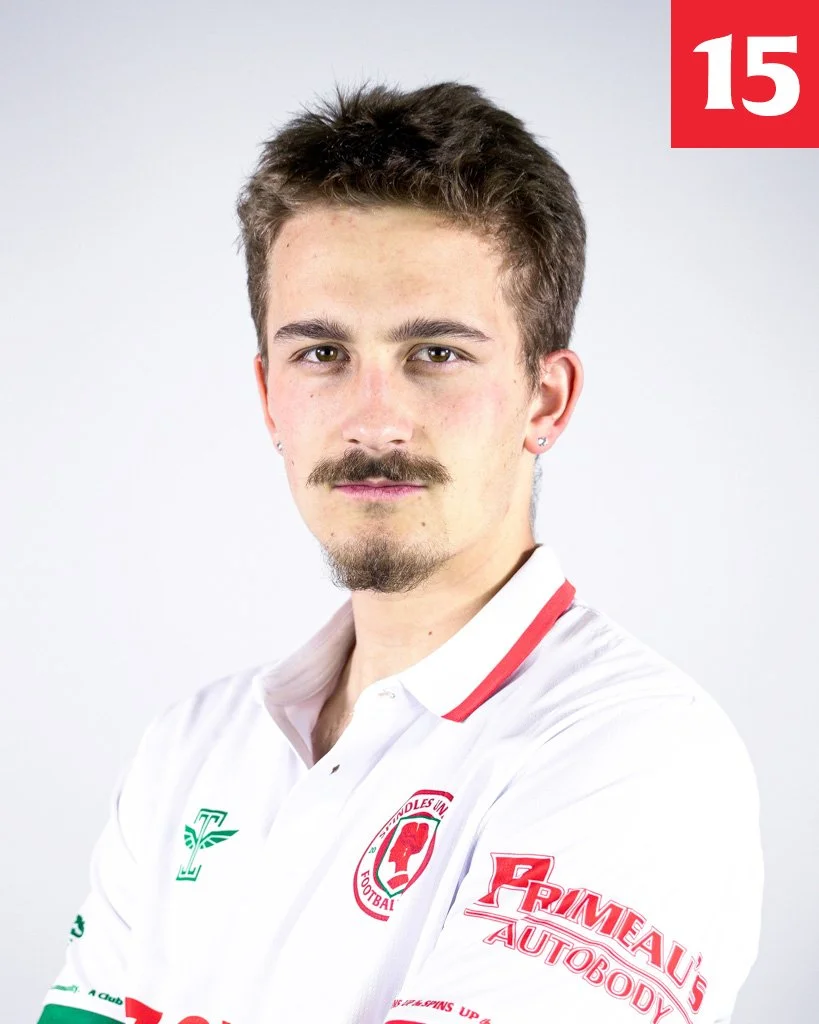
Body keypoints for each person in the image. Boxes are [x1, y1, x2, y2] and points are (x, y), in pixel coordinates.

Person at [36, 79, 763, 1024]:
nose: (372, 420)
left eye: (436, 354)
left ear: (545, 400)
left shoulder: (636, 755)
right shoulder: (193, 747)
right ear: (268, 398)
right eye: (322, 355)